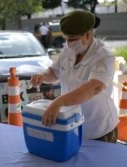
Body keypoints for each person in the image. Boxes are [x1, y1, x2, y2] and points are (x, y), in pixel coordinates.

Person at [30, 10, 119, 143]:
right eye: (66, 39)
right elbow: (54, 73)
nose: (68, 43)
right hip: (71, 124)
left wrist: (59, 102)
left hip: (98, 129)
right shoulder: (68, 50)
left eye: (72, 39)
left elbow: (93, 88)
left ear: (88, 35)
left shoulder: (104, 57)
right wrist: (42, 76)